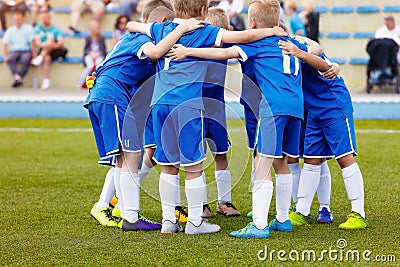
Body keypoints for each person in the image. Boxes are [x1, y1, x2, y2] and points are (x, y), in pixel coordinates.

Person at [128, 0, 289, 235]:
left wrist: (172, 29)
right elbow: (243, 37)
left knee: (168, 166)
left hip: (160, 102)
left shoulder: (161, 28)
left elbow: (134, 25)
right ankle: (195, 222)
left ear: (175, 9)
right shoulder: (205, 31)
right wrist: (272, 31)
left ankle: (168, 222)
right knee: (193, 167)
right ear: (203, 11)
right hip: (188, 104)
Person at [167, 0, 325, 238]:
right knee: (282, 161)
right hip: (296, 107)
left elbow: (223, 53)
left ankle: (259, 225)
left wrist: (188, 51)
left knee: (262, 162)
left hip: (273, 108)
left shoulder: (258, 43)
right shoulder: (292, 43)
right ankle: (282, 219)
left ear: (252, 23)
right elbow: (317, 50)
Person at [85, 5, 204, 231]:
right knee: (131, 155)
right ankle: (128, 216)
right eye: (170, 24)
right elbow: (156, 52)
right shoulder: (141, 38)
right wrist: (183, 29)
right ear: (163, 21)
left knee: (127, 157)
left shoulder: (132, 36)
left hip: (110, 97)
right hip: (112, 97)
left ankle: (125, 210)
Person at [280, 37, 368, 230]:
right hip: (313, 110)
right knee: (312, 160)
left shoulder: (292, 44)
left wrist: (300, 52)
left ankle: (359, 212)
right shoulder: (270, 49)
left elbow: (319, 54)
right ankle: (302, 211)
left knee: (344, 158)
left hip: (333, 104)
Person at [200, 7, 241, 218]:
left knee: (220, 154)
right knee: (196, 157)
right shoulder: (197, 43)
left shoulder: (227, 44)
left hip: (216, 108)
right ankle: (201, 204)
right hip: (195, 108)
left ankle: (224, 202)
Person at [31, 12, 67, 90]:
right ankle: (46, 80)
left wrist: (51, 45)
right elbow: (37, 43)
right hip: (44, 50)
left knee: (50, 40)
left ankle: (40, 57)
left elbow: (60, 43)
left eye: (45, 18)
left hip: (56, 50)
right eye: (42, 18)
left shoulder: (56, 28)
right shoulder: (38, 28)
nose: (44, 20)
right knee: (47, 58)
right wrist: (46, 45)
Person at [2, 10, 35, 87]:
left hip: (26, 50)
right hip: (14, 50)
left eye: (19, 19)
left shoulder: (28, 28)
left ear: (23, 19)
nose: (17, 21)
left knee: (26, 59)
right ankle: (17, 77)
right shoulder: (10, 30)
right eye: (15, 19)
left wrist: (34, 56)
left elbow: (32, 43)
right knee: (10, 59)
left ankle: (18, 77)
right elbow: (5, 44)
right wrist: (5, 55)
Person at [78, 20, 106, 88]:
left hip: (99, 55)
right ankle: (81, 82)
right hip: (90, 55)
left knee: (98, 67)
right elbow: (86, 49)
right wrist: (91, 54)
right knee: (89, 66)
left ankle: (97, 83)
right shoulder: (88, 38)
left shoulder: (101, 38)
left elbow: (103, 50)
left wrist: (98, 54)